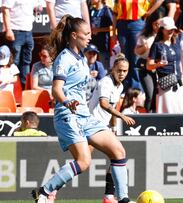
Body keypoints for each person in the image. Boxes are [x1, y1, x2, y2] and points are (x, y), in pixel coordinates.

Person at [31, 15, 133, 203]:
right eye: (86, 34)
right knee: (84, 162)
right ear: (74, 35)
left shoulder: (81, 58)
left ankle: (124, 200)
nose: (90, 37)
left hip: (84, 114)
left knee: (118, 151)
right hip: (67, 115)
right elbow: (56, 89)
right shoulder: (64, 59)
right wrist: (67, 102)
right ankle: (44, 192)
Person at [88, 53, 135, 203]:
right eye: (119, 70)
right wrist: (122, 116)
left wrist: (113, 125)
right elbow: (104, 104)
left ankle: (110, 196)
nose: (122, 74)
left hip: (103, 127)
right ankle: (49, 190)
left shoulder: (120, 86)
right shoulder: (106, 82)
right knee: (82, 162)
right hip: (91, 125)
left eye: (125, 71)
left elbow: (112, 106)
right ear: (113, 68)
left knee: (117, 156)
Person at [148, 17, 183, 113]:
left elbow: (178, 62)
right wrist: (158, 64)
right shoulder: (157, 45)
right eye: (168, 29)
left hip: (178, 83)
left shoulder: (176, 43)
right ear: (162, 29)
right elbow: (149, 65)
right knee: (168, 111)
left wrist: (182, 80)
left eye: (172, 29)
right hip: (166, 83)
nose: (171, 31)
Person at [113, 0, 149, 91]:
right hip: (122, 24)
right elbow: (114, 13)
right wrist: (113, 32)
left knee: (136, 56)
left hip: (137, 23)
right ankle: (125, 86)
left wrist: (148, 13)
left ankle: (137, 87)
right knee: (125, 56)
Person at [2, 0, 39, 88]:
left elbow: (36, 6)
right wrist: (8, 30)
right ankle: (13, 89)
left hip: (29, 31)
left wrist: (37, 8)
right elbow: (5, 10)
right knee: (14, 62)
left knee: (27, 62)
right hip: (16, 30)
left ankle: (24, 88)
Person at [135, 11, 163, 113]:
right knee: (150, 94)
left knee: (158, 94)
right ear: (151, 23)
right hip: (146, 68)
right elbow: (137, 51)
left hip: (160, 67)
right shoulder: (144, 36)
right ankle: (149, 116)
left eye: (160, 24)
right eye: (155, 24)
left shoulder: (164, 36)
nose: (157, 26)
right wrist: (144, 47)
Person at [89, 0, 113, 70]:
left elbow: (112, 27)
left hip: (103, 44)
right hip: (93, 43)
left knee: (104, 67)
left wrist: (99, 30)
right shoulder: (91, 10)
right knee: (92, 66)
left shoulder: (106, 10)